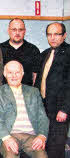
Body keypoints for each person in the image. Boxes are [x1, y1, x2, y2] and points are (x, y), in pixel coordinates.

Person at [0, 61, 49, 158]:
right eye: (10, 72)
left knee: (42, 156)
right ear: (5, 74)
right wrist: (6, 138)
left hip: (31, 135)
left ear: (22, 74)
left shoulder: (33, 91)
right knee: (10, 155)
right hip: (9, 134)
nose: (14, 76)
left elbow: (42, 117)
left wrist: (42, 135)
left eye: (17, 72)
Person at [35, 22, 70, 157]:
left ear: (64, 36)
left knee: (56, 149)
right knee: (45, 146)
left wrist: (65, 109)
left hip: (60, 111)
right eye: (49, 34)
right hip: (45, 109)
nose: (52, 37)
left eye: (57, 34)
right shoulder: (45, 53)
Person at [0, 18, 41, 86]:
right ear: (8, 31)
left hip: (26, 93)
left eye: (20, 30)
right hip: (4, 93)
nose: (17, 33)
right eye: (14, 30)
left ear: (25, 31)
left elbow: (35, 76)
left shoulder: (33, 50)